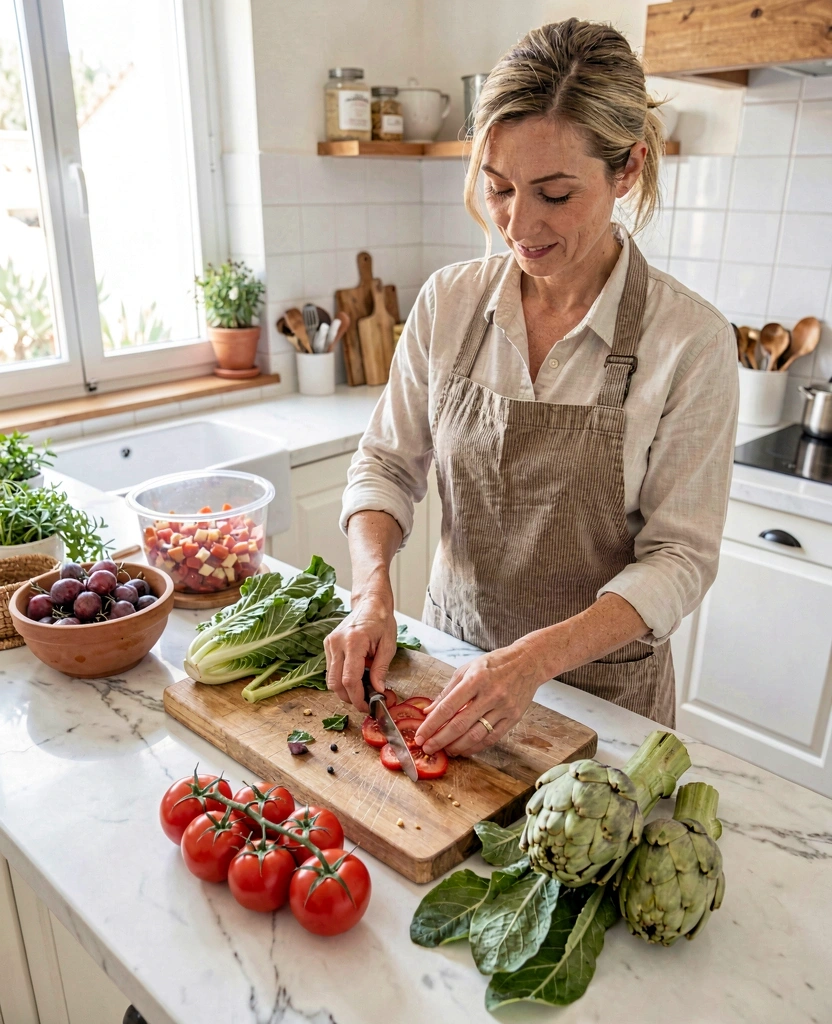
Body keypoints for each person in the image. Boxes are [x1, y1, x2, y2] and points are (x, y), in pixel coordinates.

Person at [323, 18, 738, 756]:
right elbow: (385, 466)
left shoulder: (691, 342)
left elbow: (680, 560)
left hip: (604, 703)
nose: (519, 223)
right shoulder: (449, 303)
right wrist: (371, 592)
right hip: (447, 670)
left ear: (628, 170)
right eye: (499, 187)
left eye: (553, 193)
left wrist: (535, 660)